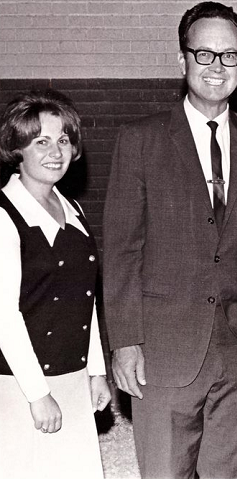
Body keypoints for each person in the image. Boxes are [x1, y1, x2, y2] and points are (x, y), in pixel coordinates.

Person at [103, 1, 237, 478]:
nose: (216, 67)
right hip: (163, 347)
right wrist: (124, 342)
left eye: (229, 55)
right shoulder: (140, 140)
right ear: (181, 60)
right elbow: (121, 250)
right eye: (204, 54)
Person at [0, 89, 111, 479]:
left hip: (72, 374)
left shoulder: (73, 210)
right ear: (17, 148)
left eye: (63, 139)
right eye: (41, 141)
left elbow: (85, 298)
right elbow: (4, 317)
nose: (55, 151)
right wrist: (37, 394)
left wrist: (95, 369)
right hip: (18, 383)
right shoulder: (3, 215)